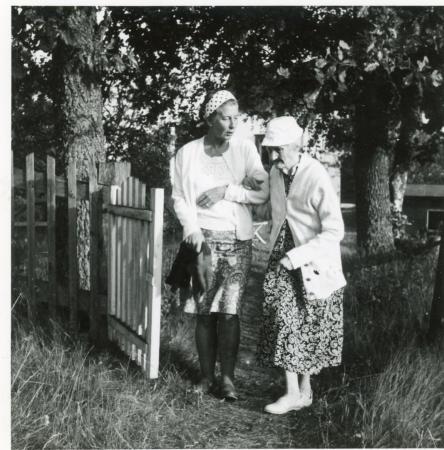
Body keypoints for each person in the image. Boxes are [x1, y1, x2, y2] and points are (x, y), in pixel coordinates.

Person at [172, 89, 269, 400]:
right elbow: (179, 197)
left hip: (237, 242)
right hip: (203, 241)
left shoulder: (244, 149)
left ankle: (227, 380)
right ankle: (205, 376)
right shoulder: (187, 153)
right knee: (204, 312)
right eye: (226, 118)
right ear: (210, 119)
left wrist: (226, 191)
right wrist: (192, 230)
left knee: (229, 312)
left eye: (235, 119)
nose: (232, 124)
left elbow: (262, 192)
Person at [257, 116, 346, 414]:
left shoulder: (315, 174)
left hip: (313, 261)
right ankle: (292, 392)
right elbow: (274, 208)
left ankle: (304, 390)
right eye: (269, 149)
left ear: (297, 146)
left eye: (278, 149)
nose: (273, 156)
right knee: (284, 319)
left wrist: (296, 256)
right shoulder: (275, 172)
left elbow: (335, 230)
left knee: (308, 325)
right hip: (282, 259)